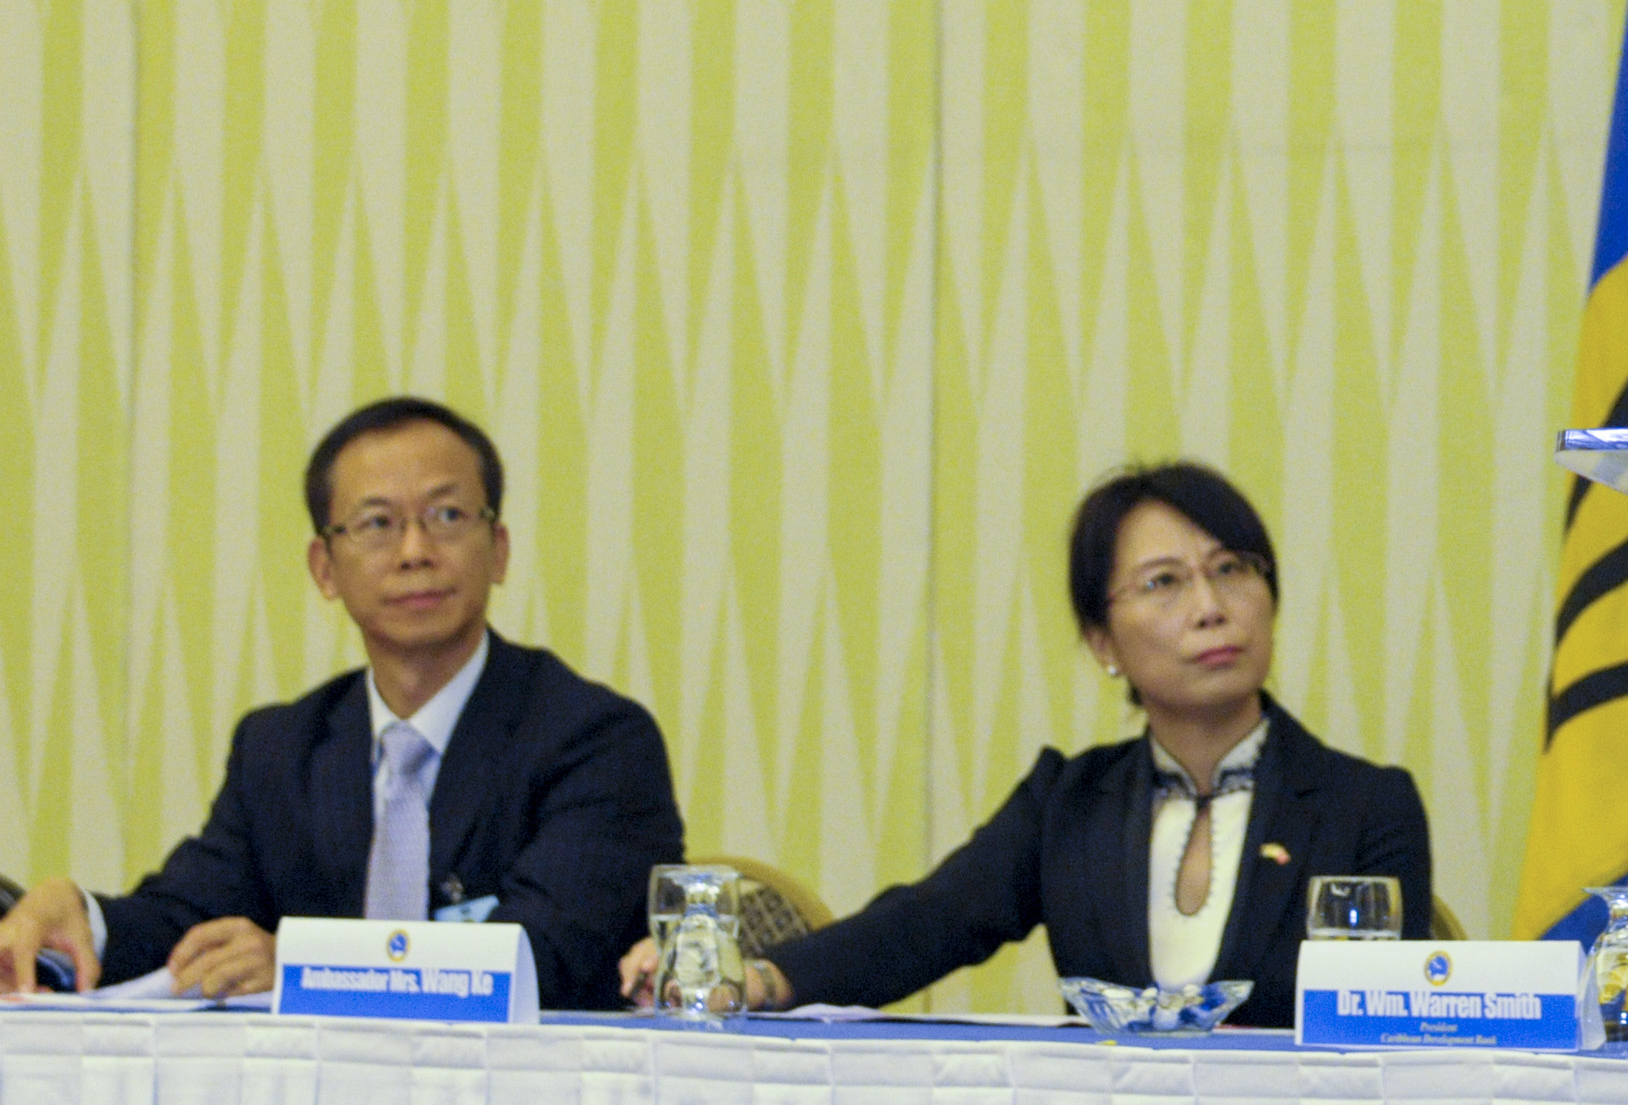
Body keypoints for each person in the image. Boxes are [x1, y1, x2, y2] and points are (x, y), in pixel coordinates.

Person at [624, 460, 1430, 1023]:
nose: (1211, 606)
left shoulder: (1367, 805)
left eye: (1232, 570)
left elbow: (1389, 1025)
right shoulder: (1069, 803)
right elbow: (926, 925)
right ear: (1101, 641)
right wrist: (762, 977)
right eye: (1164, 583)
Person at [0, 396, 684, 1012]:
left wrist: (302, 967)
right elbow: (188, 924)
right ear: (324, 569)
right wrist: (84, 921)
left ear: (498, 550)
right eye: (377, 524)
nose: (415, 551)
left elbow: (537, 956)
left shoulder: (596, 741)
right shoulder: (281, 748)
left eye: (447, 515)